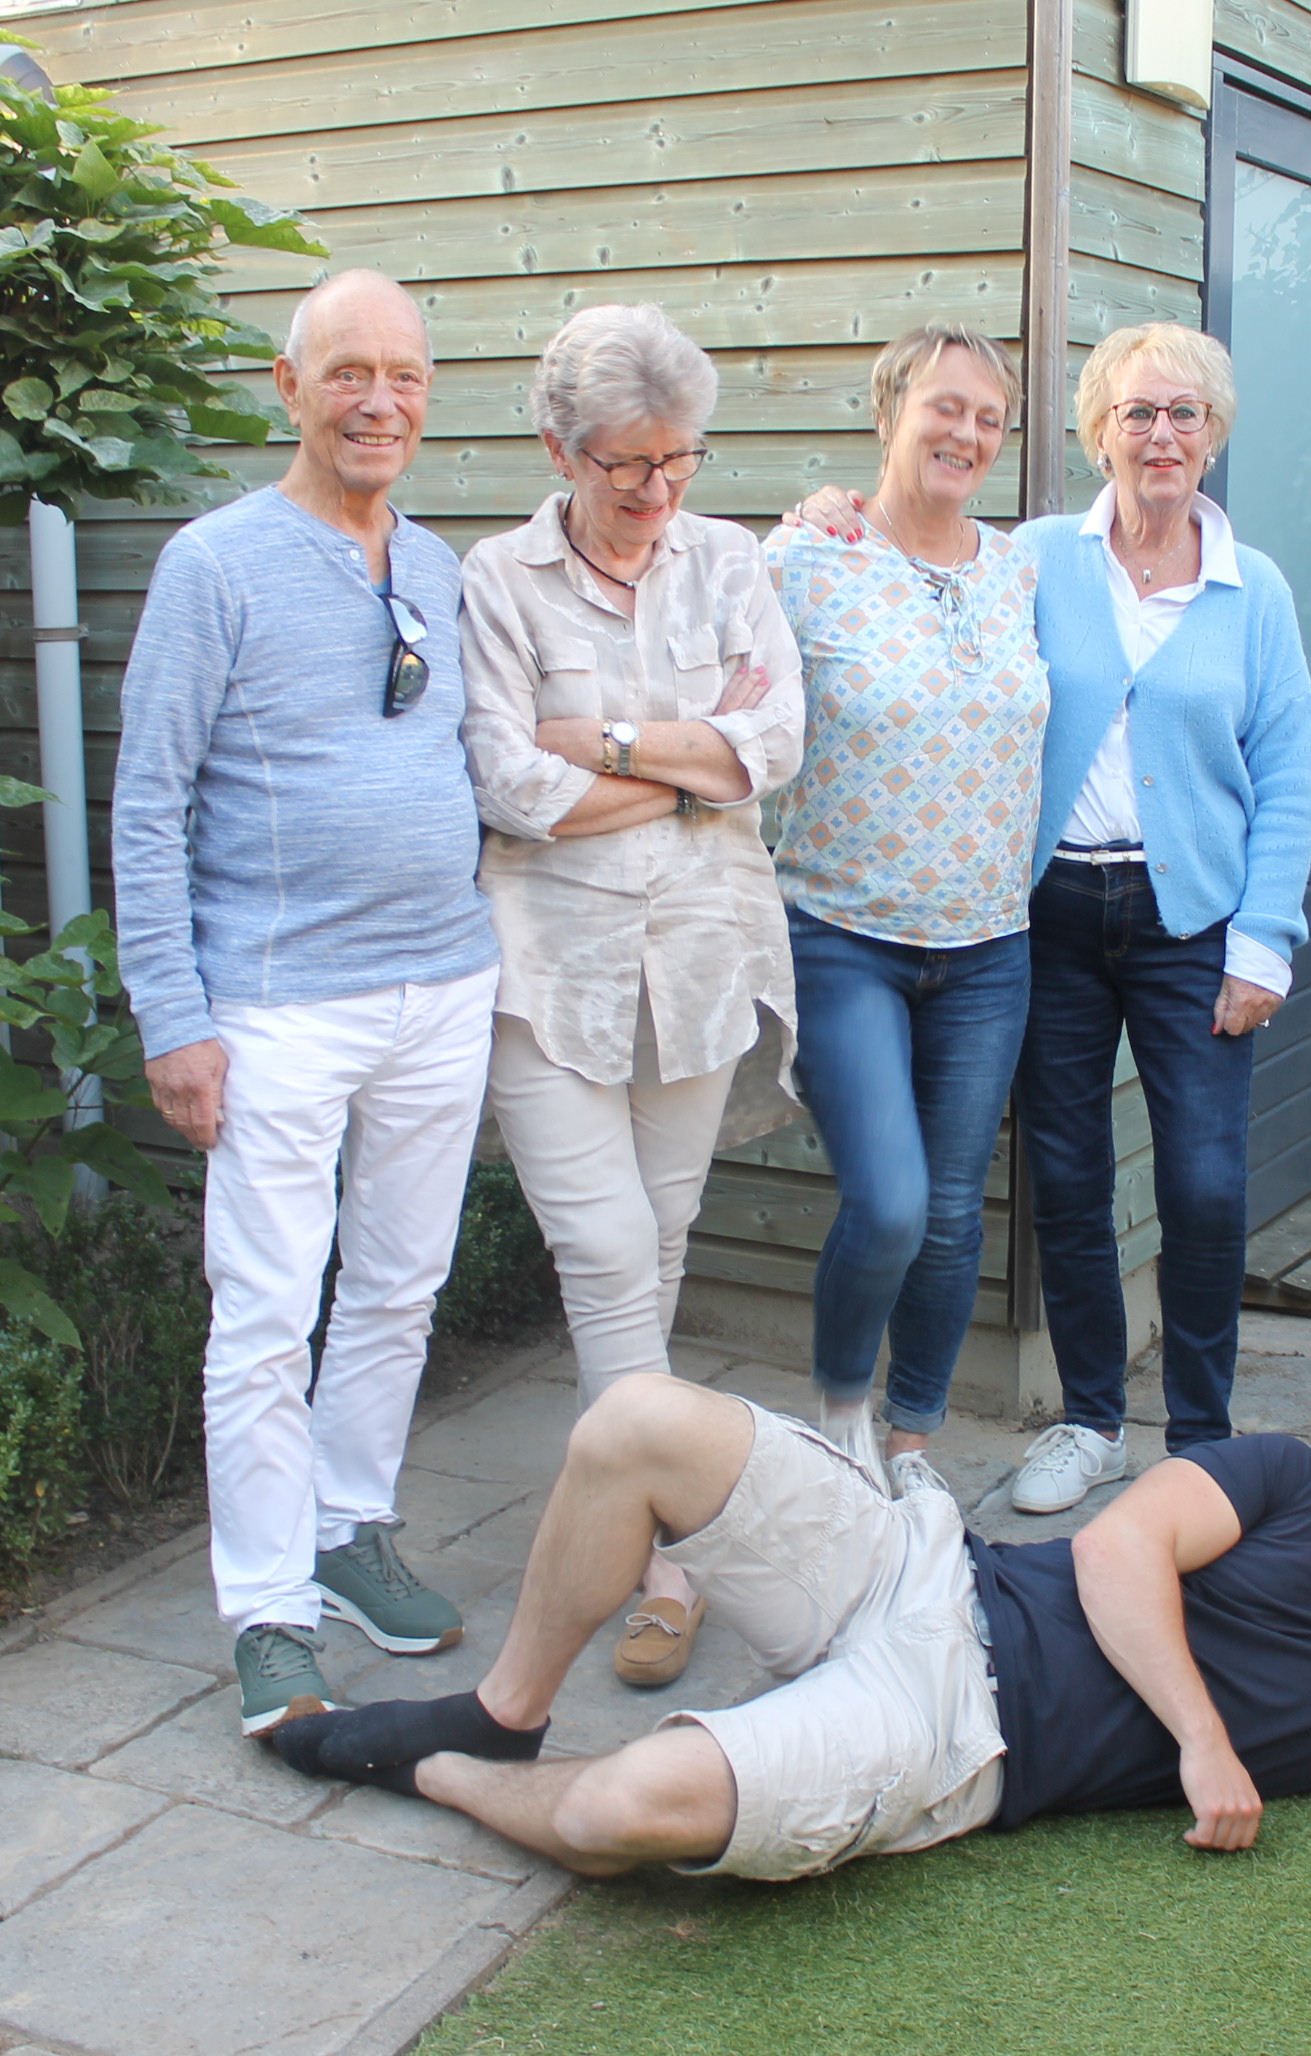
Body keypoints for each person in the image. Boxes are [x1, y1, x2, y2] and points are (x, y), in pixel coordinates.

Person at [263, 1375, 1311, 1877]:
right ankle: (500, 1712)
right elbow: (1118, 1548)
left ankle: (445, 1772)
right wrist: (1203, 1741)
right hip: (924, 1573)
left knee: (626, 1808)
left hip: (951, 1736)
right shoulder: (1295, 1487)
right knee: (637, 1418)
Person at [112, 269, 497, 1734]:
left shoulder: (437, 569)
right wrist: (172, 1014)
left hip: (442, 981)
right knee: (267, 1312)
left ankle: (348, 1526)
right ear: (290, 387)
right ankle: (269, 1610)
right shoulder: (213, 566)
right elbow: (148, 800)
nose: (378, 401)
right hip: (279, 1002)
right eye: (347, 372)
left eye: (403, 375)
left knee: (399, 1281)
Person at [459, 304, 805, 1689]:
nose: (659, 490)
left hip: (702, 959)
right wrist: (688, 767)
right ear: (560, 450)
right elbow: (509, 785)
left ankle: (616, 1507)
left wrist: (601, 742)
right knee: (604, 1250)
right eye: (626, 465)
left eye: (679, 459)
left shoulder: (728, 562)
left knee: (657, 1242)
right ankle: (667, 1555)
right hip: (548, 969)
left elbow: (774, 741)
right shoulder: (499, 581)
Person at [1002, 323, 1311, 1513]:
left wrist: (1264, 941)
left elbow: (1285, 773)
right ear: (1099, 432)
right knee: (1068, 1172)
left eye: (1185, 413)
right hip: (1053, 917)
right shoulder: (1037, 558)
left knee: (1204, 1185)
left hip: (1195, 923)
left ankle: (1200, 1439)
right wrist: (836, 517)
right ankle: (1090, 1419)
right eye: (1137, 412)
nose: (1162, 435)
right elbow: (928, 598)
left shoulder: (1253, 588)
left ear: (1213, 433)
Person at [763, 325, 1049, 1486]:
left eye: (988, 417)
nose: (965, 433)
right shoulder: (803, 559)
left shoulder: (1022, 569)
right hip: (843, 939)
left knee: (951, 1217)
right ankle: (840, 1420)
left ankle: (913, 1441)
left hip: (989, 949)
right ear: (888, 412)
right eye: (944, 406)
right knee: (889, 1204)